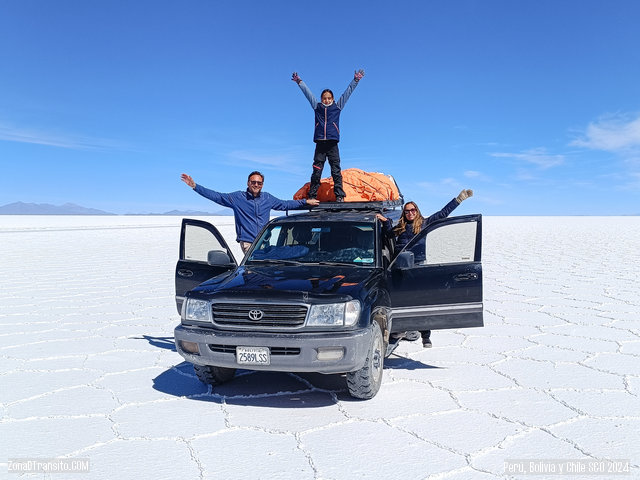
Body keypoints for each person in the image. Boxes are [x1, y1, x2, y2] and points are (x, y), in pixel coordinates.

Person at [377, 189, 474, 347]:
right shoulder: (400, 227)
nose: (410, 213)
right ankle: (401, 330)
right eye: (407, 211)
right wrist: (385, 221)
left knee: (421, 299)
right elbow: (388, 234)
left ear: (417, 211)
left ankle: (425, 334)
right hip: (400, 267)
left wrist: (459, 199)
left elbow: (443, 214)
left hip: (418, 267)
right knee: (402, 300)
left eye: (413, 210)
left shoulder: (425, 223)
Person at [181, 171, 320, 253]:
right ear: (248, 183)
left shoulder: (267, 198)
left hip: (264, 241)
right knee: (255, 271)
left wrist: (305, 202)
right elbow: (216, 196)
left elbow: (285, 204)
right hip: (248, 243)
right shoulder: (237, 198)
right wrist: (195, 186)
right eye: (253, 182)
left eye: (259, 183)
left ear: (262, 185)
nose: (256, 185)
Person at [291, 69, 365, 202]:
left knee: (335, 170)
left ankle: (339, 195)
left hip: (332, 143)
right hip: (320, 143)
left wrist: (356, 80)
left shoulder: (337, 107)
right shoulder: (317, 107)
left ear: (333, 99)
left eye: (329, 98)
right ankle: (312, 195)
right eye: (324, 98)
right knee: (317, 170)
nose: (326, 100)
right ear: (321, 99)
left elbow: (347, 93)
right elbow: (307, 94)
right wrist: (299, 82)